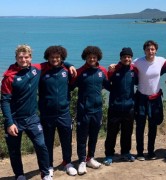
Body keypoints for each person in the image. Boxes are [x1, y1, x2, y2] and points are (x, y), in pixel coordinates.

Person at [1, 45, 52, 180]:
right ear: (16, 58)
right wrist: (9, 123)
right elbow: (5, 101)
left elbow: (53, 62)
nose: (23, 59)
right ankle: (19, 175)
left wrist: (69, 65)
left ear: (30, 57)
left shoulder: (36, 69)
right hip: (15, 120)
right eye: (20, 57)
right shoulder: (9, 76)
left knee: (41, 145)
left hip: (32, 118)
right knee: (14, 150)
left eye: (26, 57)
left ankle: (46, 173)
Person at [38, 46, 77, 177]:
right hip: (47, 114)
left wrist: (69, 64)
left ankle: (68, 163)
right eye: (52, 57)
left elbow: (72, 85)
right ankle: (49, 166)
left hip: (64, 113)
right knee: (47, 142)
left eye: (57, 57)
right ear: (47, 58)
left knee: (66, 140)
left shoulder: (67, 70)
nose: (55, 59)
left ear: (62, 58)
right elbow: (27, 65)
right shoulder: (41, 70)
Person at [71, 46, 110, 175]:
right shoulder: (80, 72)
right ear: (85, 58)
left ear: (97, 57)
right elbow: (69, 86)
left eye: (94, 57)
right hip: (84, 111)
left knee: (93, 136)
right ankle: (81, 161)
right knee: (82, 138)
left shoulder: (102, 71)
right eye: (89, 57)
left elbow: (110, 85)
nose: (92, 59)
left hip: (97, 110)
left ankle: (90, 158)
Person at [103, 47, 138, 166]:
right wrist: (114, 92)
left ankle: (125, 152)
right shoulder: (114, 69)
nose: (126, 59)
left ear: (131, 58)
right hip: (115, 107)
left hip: (129, 107)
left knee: (127, 132)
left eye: (128, 57)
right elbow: (106, 83)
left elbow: (138, 82)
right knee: (112, 133)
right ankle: (109, 155)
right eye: (124, 57)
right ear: (121, 58)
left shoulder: (134, 71)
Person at [133, 40, 166, 161]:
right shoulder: (138, 62)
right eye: (148, 49)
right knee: (140, 126)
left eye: (152, 49)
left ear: (155, 50)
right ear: (144, 51)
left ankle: (151, 151)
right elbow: (126, 65)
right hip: (141, 98)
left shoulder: (161, 60)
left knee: (153, 126)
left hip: (155, 98)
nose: (150, 51)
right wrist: (113, 67)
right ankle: (140, 152)